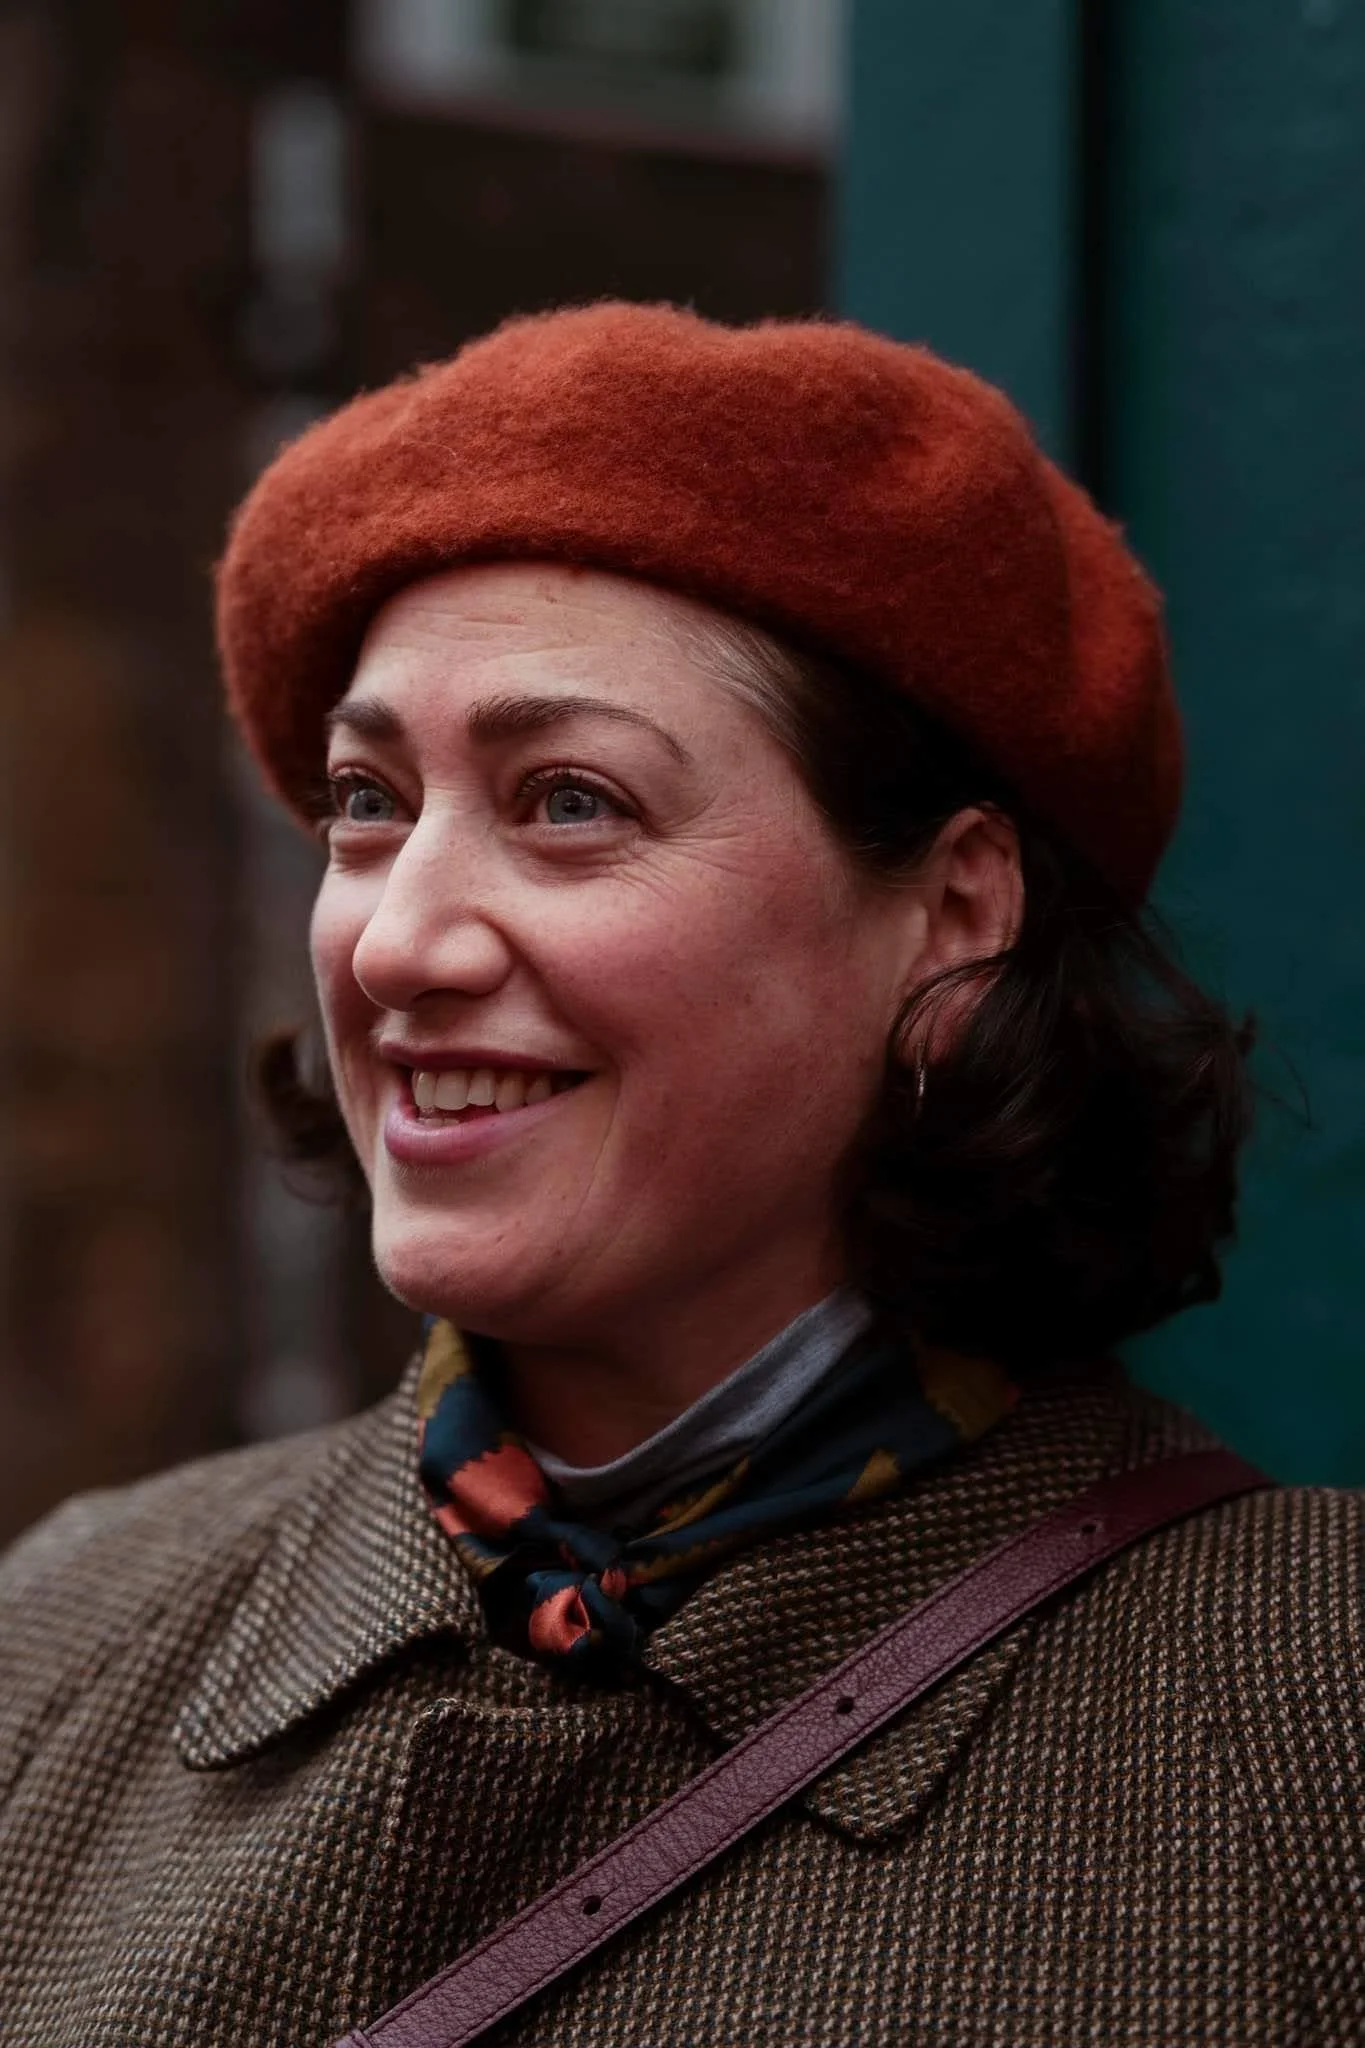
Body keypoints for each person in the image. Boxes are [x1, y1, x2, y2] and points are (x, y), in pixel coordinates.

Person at [1, 303, 1361, 2048]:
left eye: (569, 801)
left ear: (950, 915)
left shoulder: (1311, 1729)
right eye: (367, 801)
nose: (396, 938)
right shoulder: (66, 1632)